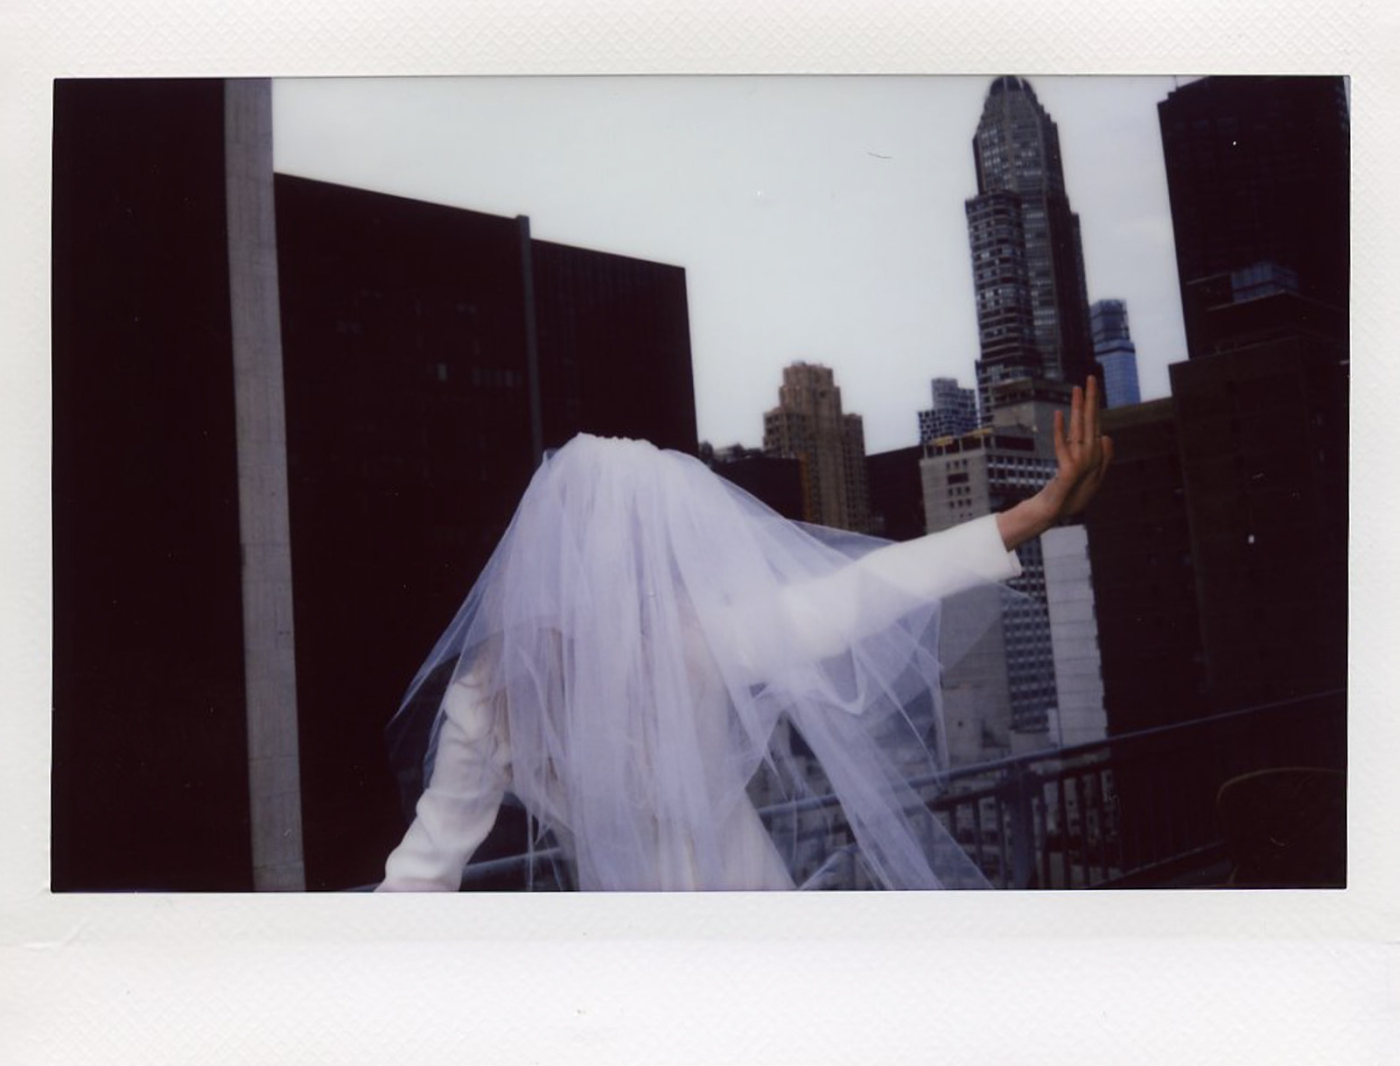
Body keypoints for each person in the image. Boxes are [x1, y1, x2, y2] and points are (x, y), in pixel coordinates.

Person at [377, 378, 1112, 892]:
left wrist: (1033, 514)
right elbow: (852, 595)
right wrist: (1035, 512)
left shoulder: (505, 685)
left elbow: (422, 869)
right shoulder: (543, 678)